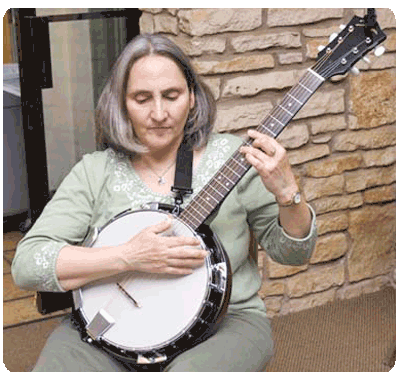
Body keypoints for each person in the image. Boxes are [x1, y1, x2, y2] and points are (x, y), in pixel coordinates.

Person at [12, 33, 317, 372]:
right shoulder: (96, 172)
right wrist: (128, 257)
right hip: (111, 327)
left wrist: (289, 193)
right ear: (122, 105)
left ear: (191, 98)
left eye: (171, 96)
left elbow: (294, 254)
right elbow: (27, 265)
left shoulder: (235, 160)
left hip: (225, 325)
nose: (159, 113)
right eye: (142, 98)